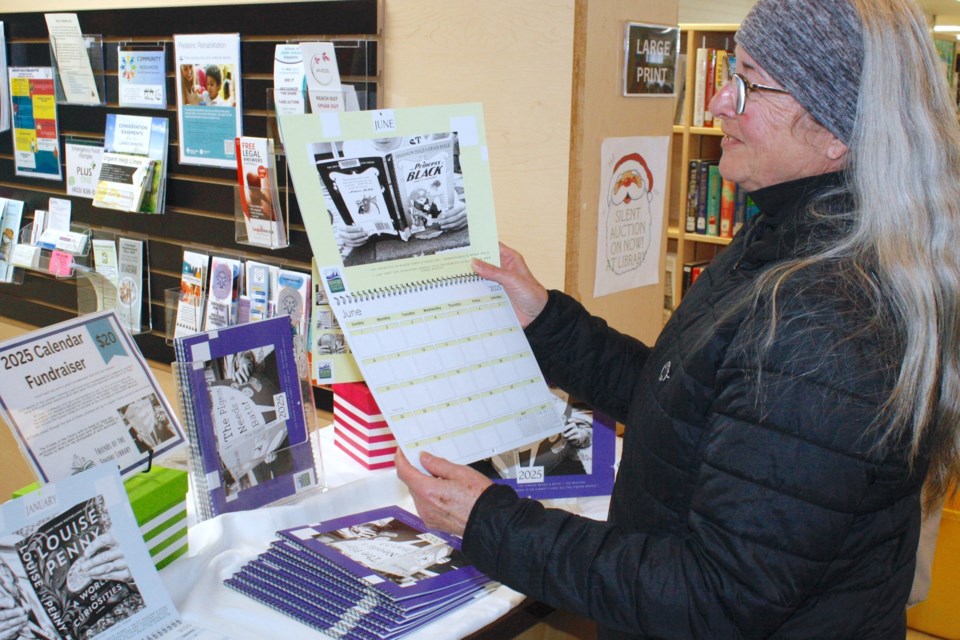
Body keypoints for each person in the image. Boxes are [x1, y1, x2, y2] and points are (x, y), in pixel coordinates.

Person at [396, 0, 960, 637]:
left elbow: (714, 595)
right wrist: (543, 319)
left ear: (836, 132)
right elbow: (683, 398)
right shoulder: (788, 238)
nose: (718, 101)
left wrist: (486, 521)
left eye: (748, 83)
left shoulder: (827, 318)